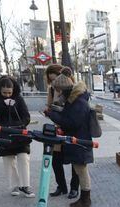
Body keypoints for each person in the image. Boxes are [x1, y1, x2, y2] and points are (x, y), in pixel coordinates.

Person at [45, 74, 94, 207]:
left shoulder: (78, 102)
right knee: (80, 169)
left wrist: (52, 115)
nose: (58, 94)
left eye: (58, 91)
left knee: (81, 170)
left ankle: (86, 200)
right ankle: (84, 198)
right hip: (78, 139)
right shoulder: (75, 99)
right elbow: (70, 118)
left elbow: (71, 123)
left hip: (79, 140)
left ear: (63, 89)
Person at [0, 76, 34, 197]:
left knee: (24, 158)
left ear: (13, 90)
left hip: (19, 133)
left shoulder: (18, 98)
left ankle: (26, 185)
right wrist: (3, 104)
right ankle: (14, 185)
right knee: (8, 160)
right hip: (3, 133)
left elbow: (26, 116)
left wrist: (21, 125)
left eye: (9, 92)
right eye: (4, 93)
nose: (7, 95)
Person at [45, 64, 79, 199]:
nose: (54, 83)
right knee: (55, 160)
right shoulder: (52, 89)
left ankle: (74, 188)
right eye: (51, 81)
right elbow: (49, 106)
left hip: (72, 130)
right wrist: (49, 111)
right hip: (58, 128)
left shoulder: (73, 90)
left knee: (75, 160)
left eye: (55, 79)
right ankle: (61, 186)